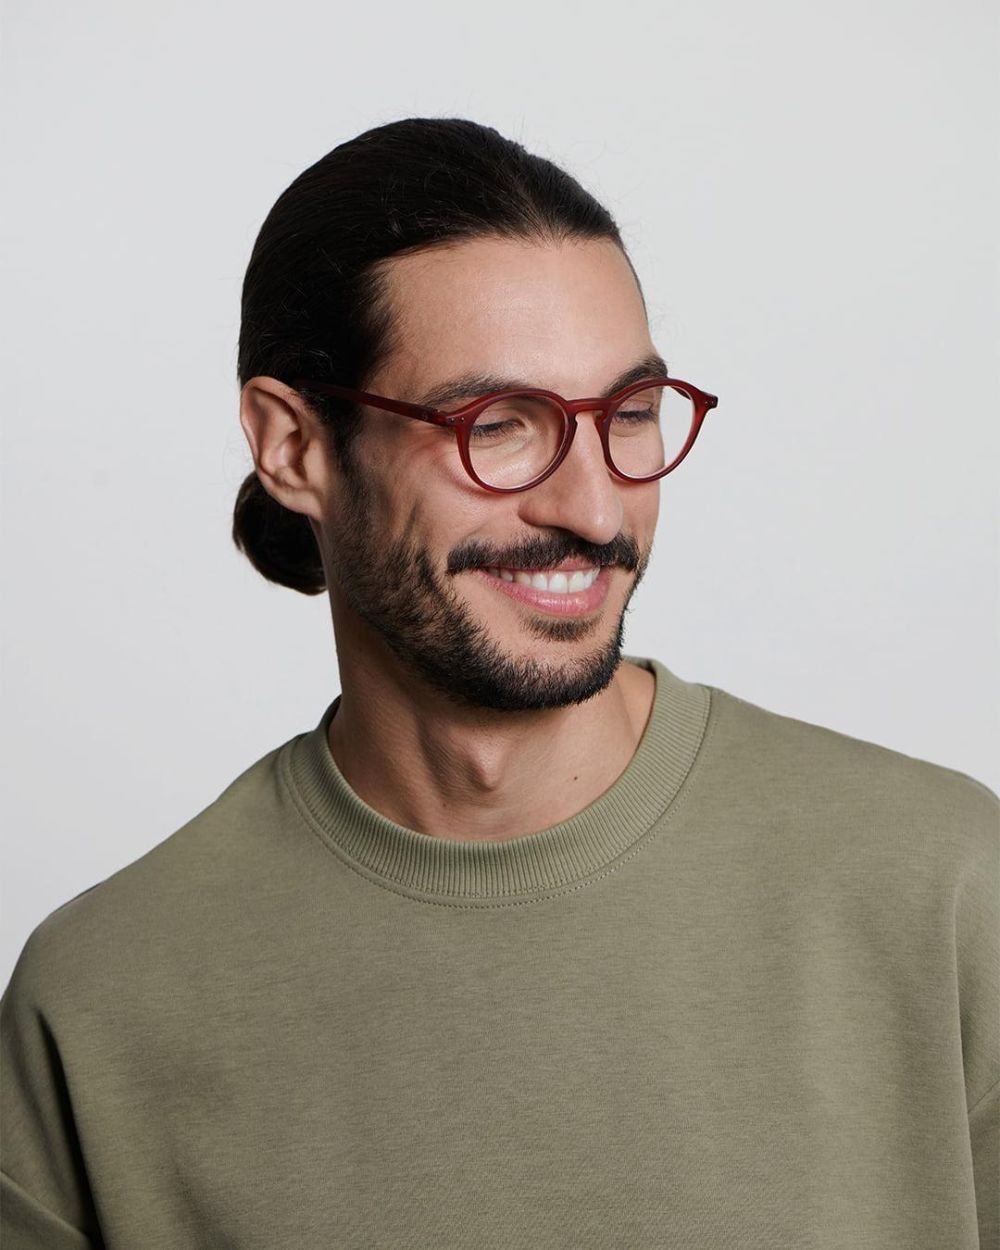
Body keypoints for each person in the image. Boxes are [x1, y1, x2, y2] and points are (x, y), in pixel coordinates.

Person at [1, 116, 996, 1250]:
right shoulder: (101, 1004)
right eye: (500, 425)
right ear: (294, 447)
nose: (594, 507)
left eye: (628, 416)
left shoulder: (949, 891)